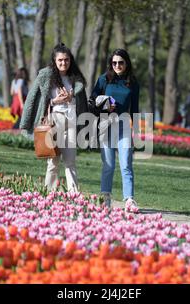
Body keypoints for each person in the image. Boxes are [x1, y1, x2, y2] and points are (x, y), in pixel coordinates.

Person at [19, 43, 88, 192]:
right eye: (60, 60)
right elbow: (34, 99)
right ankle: (48, 193)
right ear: (55, 61)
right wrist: (54, 101)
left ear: (71, 60)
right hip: (54, 121)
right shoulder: (46, 76)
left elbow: (81, 102)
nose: (64, 63)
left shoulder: (75, 78)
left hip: (71, 121)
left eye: (67, 60)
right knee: (53, 161)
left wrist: (71, 97)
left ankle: (74, 195)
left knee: (70, 161)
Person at [90, 49, 140, 213]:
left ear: (126, 63)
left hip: (124, 125)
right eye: (114, 63)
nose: (117, 65)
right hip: (106, 124)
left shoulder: (132, 83)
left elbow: (135, 109)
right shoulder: (104, 80)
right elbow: (92, 101)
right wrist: (105, 105)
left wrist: (136, 133)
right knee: (109, 165)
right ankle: (105, 198)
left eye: (121, 62)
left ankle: (129, 199)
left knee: (126, 164)